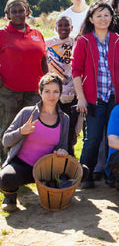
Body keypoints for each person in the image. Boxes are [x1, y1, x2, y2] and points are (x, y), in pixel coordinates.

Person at [72, 0, 119, 189]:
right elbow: (76, 71)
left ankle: (111, 174)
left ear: (111, 18)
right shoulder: (83, 41)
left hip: (116, 97)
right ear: (91, 18)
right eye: (98, 15)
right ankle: (85, 174)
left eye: (106, 15)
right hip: (93, 98)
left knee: (113, 137)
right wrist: (81, 97)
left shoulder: (117, 40)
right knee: (93, 138)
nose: (103, 18)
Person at [0, 73, 69, 212]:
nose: (51, 96)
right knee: (6, 178)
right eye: (47, 91)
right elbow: (5, 141)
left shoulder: (64, 119)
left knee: (83, 171)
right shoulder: (27, 113)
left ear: (60, 93)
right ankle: (10, 196)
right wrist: (21, 131)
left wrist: (62, 151)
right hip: (23, 166)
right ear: (40, 92)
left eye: (56, 91)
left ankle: (49, 185)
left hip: (47, 168)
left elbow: (63, 145)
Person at [0, 0, 48, 163]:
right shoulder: (2, 34)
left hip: (34, 93)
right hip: (9, 92)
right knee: (8, 128)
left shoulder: (37, 34)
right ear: (8, 15)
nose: (18, 14)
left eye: (21, 11)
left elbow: (43, 61)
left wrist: (47, 85)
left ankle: (27, 163)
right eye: (14, 11)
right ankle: (6, 164)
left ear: (28, 12)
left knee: (33, 128)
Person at [45, 14, 78, 156]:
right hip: (53, 92)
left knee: (70, 127)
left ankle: (69, 157)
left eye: (66, 25)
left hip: (72, 92)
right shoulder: (47, 43)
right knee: (54, 126)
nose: (63, 28)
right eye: (60, 25)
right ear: (55, 28)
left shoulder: (76, 43)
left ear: (71, 28)